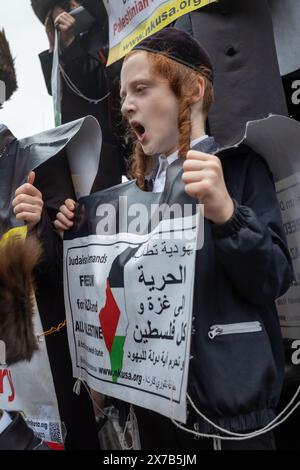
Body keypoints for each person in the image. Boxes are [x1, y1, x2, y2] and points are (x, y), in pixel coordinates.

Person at [56, 28, 293, 450]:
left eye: (141, 89)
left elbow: (273, 279)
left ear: (193, 89)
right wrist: (69, 226)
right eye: (124, 94)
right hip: (156, 417)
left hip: (230, 418)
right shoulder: (130, 199)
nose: (127, 105)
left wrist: (228, 214)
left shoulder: (238, 169)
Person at [34, 0, 125, 190]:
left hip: (103, 151)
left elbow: (98, 87)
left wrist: (70, 44)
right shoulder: (66, 43)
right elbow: (57, 93)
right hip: (73, 149)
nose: (75, 6)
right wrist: (55, 44)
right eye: (67, 6)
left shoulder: (103, 33)